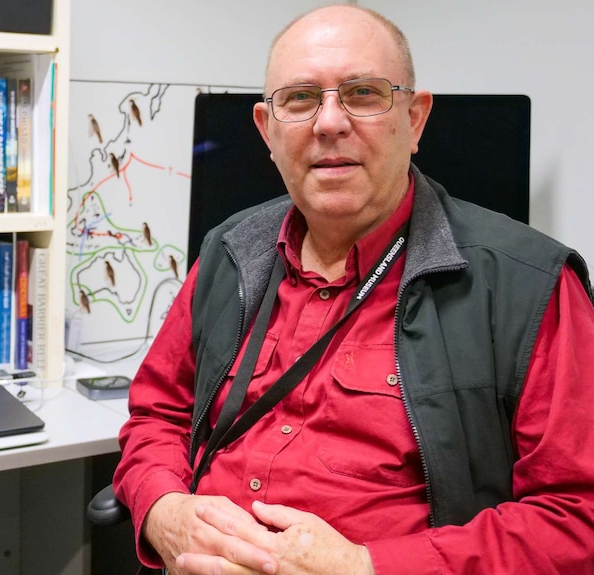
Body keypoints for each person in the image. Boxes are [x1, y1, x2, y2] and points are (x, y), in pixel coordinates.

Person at [112, 4, 594, 574]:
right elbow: (155, 417)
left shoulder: (528, 285)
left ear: (415, 120)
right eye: (300, 98)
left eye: (363, 93)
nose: (329, 122)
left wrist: (370, 567)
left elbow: (576, 516)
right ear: (267, 131)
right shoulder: (229, 252)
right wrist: (164, 511)